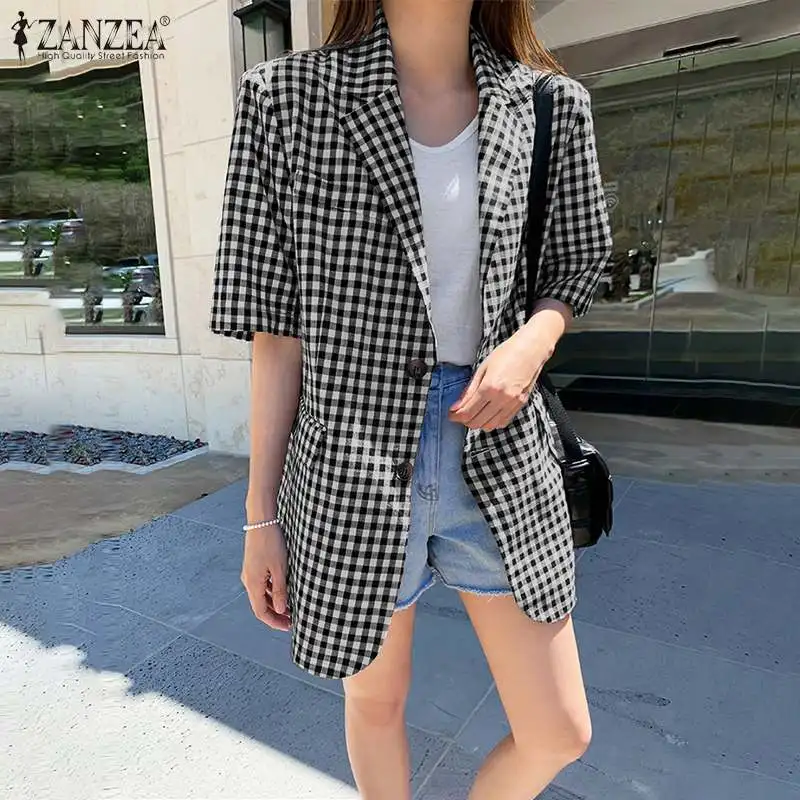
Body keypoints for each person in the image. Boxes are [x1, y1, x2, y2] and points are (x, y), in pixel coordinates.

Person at [209, 1, 612, 798]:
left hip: (498, 447)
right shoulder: (284, 97)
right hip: (350, 454)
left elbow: (575, 264)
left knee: (559, 731)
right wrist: (260, 518)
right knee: (376, 700)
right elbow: (275, 331)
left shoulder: (547, 104)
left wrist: (531, 345)